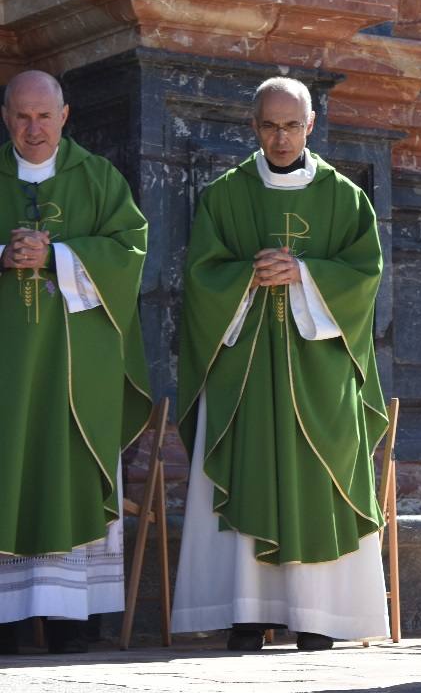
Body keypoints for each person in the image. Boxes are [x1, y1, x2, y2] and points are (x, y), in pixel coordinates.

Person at [172, 77, 388, 651]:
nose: (281, 136)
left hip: (320, 372)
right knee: (247, 466)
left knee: (318, 475)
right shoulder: (225, 195)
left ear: (311, 125)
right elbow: (199, 279)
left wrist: (306, 273)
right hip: (244, 369)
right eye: (270, 125)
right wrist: (247, 274)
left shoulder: (344, 197)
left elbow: (365, 277)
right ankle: (247, 611)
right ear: (254, 127)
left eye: (292, 125)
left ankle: (318, 616)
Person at [0, 70, 152, 654]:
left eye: (44, 116)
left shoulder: (98, 178)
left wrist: (59, 253)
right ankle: (7, 619)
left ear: (65, 116)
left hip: (76, 371)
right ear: (6, 117)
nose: (33, 129)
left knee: (71, 463)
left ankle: (73, 619)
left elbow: (130, 252)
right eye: (21, 116)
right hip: (9, 373)